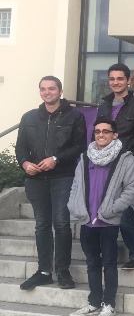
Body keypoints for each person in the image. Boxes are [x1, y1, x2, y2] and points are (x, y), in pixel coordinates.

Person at [16, 76, 87, 291]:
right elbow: (21, 147)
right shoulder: (29, 117)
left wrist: (56, 159)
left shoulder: (75, 116)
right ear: (40, 92)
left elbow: (79, 146)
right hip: (35, 179)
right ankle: (44, 272)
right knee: (42, 224)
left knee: (62, 223)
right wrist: (25, 163)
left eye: (52, 88)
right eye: (43, 89)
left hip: (62, 177)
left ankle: (63, 271)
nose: (47, 92)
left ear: (60, 91)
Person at [67, 118, 134, 316]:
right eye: (97, 131)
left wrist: (113, 209)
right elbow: (75, 185)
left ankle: (109, 304)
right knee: (92, 263)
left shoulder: (124, 158)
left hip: (108, 220)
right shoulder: (85, 157)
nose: (101, 135)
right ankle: (94, 301)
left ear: (114, 135)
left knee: (109, 263)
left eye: (106, 131)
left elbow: (131, 188)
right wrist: (74, 206)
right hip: (86, 219)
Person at [96, 63, 134, 270]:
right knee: (102, 210)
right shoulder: (104, 105)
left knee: (123, 210)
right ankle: (108, 253)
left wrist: (131, 158)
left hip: (124, 165)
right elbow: (98, 134)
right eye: (112, 79)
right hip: (102, 164)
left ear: (128, 80)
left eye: (120, 78)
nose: (115, 82)